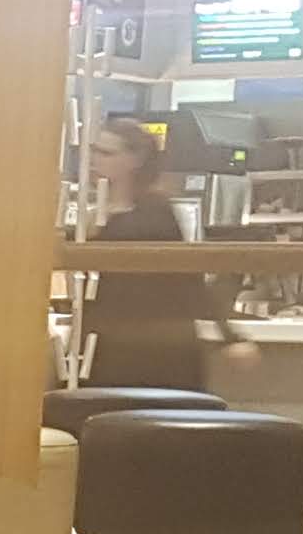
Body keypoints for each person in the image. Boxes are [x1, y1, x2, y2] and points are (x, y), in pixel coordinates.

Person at [83, 120, 214, 392]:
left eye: (107, 153)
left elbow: (188, 277)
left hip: (156, 349)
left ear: (135, 160)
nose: (96, 160)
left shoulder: (155, 213)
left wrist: (231, 336)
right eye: (95, 151)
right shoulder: (96, 214)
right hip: (109, 344)